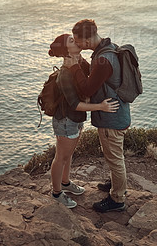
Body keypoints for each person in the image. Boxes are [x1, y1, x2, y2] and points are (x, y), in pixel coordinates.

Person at [65, 19, 131, 212]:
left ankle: (117, 199)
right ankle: (114, 183)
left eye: (78, 41)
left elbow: (88, 87)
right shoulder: (107, 49)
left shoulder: (103, 59)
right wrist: (82, 62)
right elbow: (97, 77)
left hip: (111, 117)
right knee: (113, 155)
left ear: (86, 40)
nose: (77, 44)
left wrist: (74, 67)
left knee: (115, 158)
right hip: (117, 112)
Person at [48, 33, 120, 209]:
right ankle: (56, 193)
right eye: (72, 41)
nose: (77, 41)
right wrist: (100, 107)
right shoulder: (65, 73)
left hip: (75, 119)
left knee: (69, 154)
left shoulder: (78, 62)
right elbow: (74, 104)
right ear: (66, 50)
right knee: (61, 157)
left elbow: (90, 80)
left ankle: (65, 182)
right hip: (66, 120)